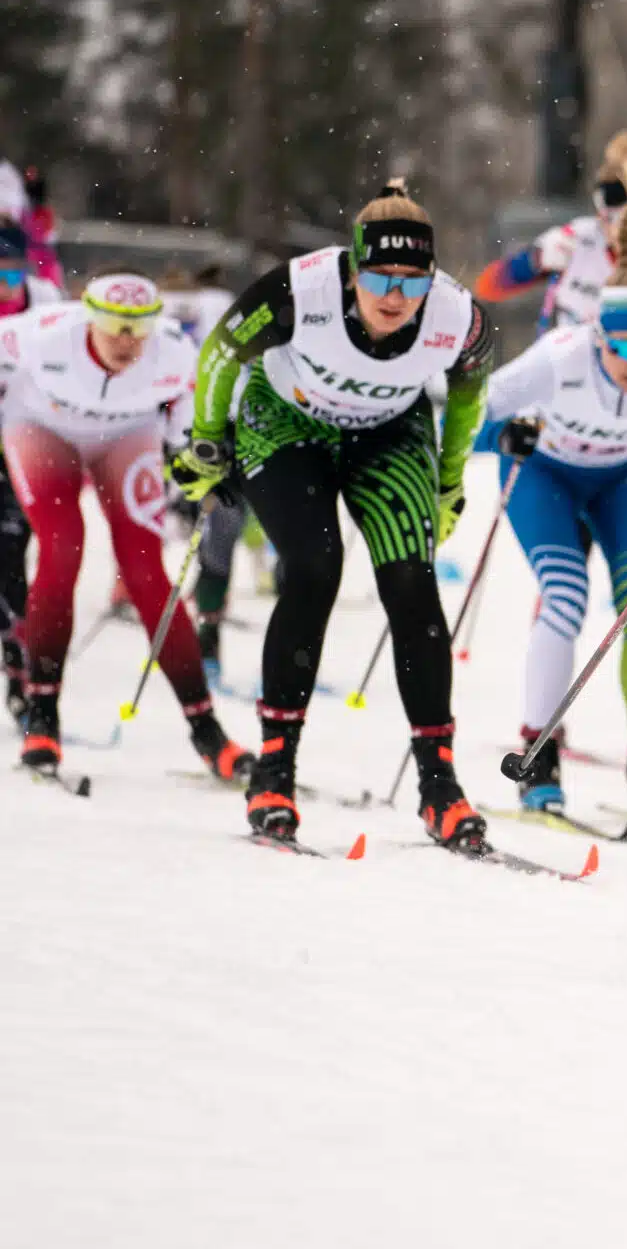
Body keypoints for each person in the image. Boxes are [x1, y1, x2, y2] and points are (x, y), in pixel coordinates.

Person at [170, 180, 495, 847]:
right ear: (353, 269)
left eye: (413, 279)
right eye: (380, 275)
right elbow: (224, 351)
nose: (395, 295)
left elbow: (468, 395)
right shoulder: (301, 289)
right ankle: (275, 770)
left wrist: (450, 479)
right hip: (285, 422)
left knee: (411, 578)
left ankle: (440, 784)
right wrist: (207, 436)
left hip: (388, 430)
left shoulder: (458, 317)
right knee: (315, 567)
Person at [0, 274, 252, 779]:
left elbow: (197, 408)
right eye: (113, 326)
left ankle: (206, 729)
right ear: (88, 317)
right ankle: (42, 715)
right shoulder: (41, 333)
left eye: (139, 329)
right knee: (61, 548)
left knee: (146, 575)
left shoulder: (175, 354)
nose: (125, 341)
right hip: (40, 427)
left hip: (125, 433)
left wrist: (199, 456)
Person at [481, 203, 627, 813]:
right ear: (600, 336)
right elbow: (476, 410)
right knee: (564, 595)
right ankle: (538, 753)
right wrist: (502, 435)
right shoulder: (560, 357)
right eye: (625, 347)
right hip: (547, 476)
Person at [475, 134, 627, 331]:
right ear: (601, 216)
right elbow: (488, 286)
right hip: (577, 373)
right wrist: (533, 261)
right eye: (620, 219)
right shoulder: (574, 242)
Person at [161, 264, 247, 679]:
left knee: (213, 523)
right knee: (222, 528)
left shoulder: (194, 307)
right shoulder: (223, 305)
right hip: (225, 424)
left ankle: (203, 626)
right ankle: (207, 629)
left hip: (197, 424)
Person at [0, 222, 65, 721]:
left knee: (12, 552)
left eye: (13, 270)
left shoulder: (46, 304)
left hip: (24, 443)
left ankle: (21, 673)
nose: (4, 282)